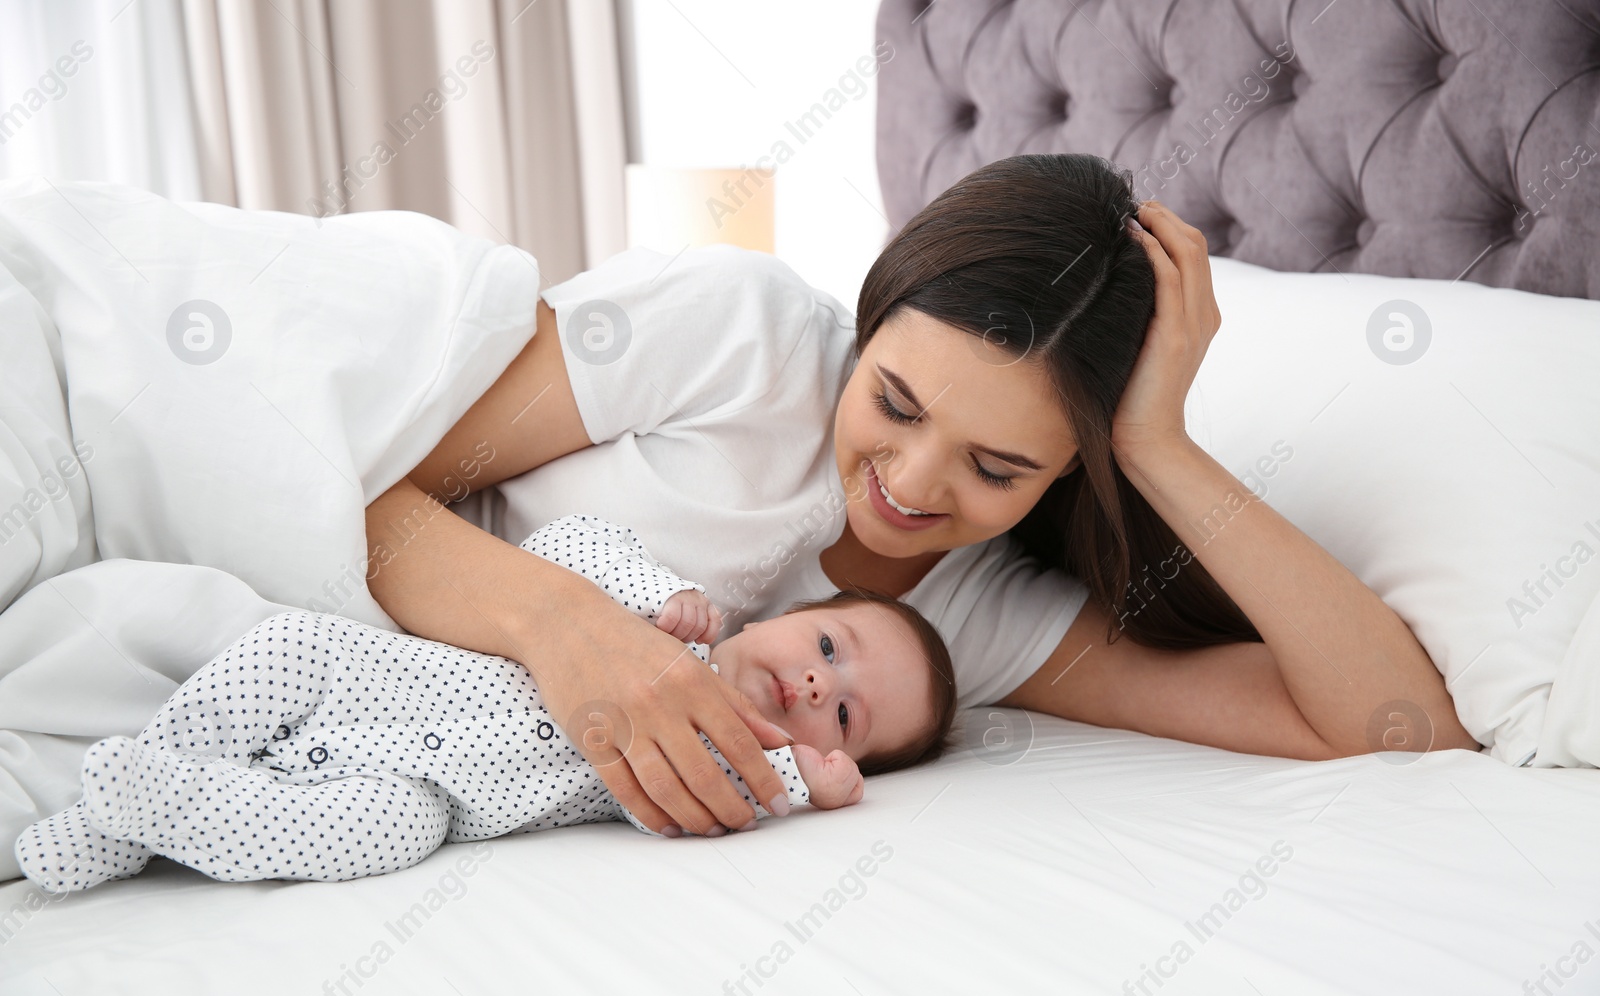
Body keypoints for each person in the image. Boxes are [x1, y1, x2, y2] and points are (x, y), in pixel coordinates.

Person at [359, 152, 1479, 841]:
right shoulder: (732, 330)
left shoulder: (979, 620)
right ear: (874, 309)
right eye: (892, 401)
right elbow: (360, 480)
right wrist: (569, 632)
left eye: (999, 468)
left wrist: (1156, 444)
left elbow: (1399, 725)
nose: (908, 483)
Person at [14, 514, 958, 893]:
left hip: (431, 785)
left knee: (392, 829)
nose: (815, 685)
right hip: (376, 681)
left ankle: (171, 812)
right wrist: (643, 592)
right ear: (793, 613)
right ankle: (118, 821)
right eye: (829, 648)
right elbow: (565, 539)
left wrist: (813, 781)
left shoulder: (729, 758)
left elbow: (734, 790)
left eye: (844, 717)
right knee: (287, 646)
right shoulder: (671, 615)